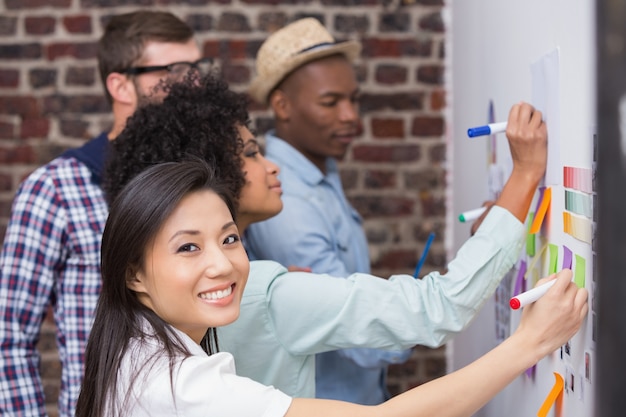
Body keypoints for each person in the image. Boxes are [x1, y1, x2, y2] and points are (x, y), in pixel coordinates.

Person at [103, 72, 553, 399]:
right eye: (254, 153)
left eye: (228, 241)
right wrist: (527, 173)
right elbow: (438, 308)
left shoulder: (141, 337)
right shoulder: (265, 296)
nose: (273, 165)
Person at [76, 157, 587, 417]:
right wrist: (531, 343)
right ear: (133, 274)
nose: (222, 264)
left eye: (229, 239)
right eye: (189, 247)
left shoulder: (138, 344)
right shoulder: (178, 385)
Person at [244, 17, 550, 404]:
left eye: (353, 100)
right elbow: (369, 339)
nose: (350, 116)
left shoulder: (319, 173)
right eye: (330, 102)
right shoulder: (286, 203)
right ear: (282, 106)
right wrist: (523, 175)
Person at [0, 10, 211, 416]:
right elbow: (8, 336)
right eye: (176, 70)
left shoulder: (203, 180)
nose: (195, 83)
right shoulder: (56, 188)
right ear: (120, 84)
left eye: (198, 68)